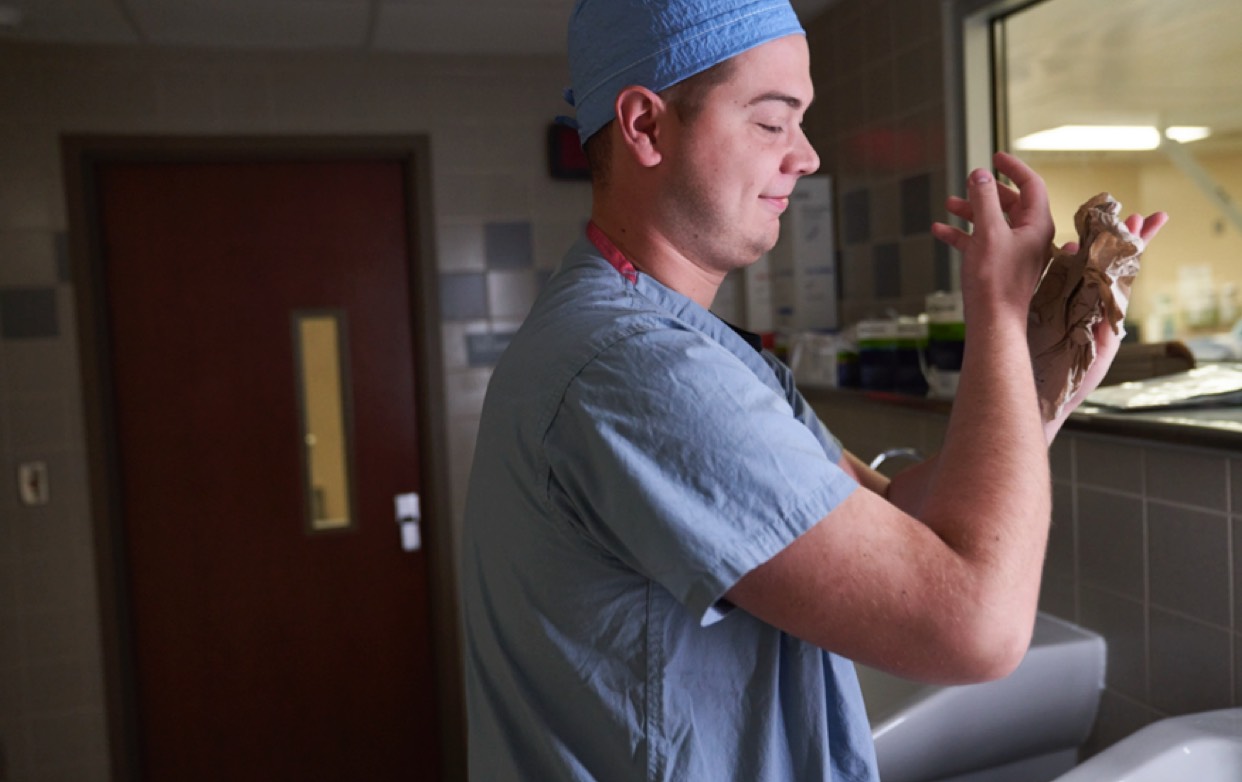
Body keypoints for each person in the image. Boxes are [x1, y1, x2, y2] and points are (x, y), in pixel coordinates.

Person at [459, 0, 1168, 779]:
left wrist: (1040, 376)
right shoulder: (636, 368)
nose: (807, 157)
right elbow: (977, 627)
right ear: (645, 127)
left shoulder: (682, 343)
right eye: (772, 122)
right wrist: (996, 312)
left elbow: (897, 519)